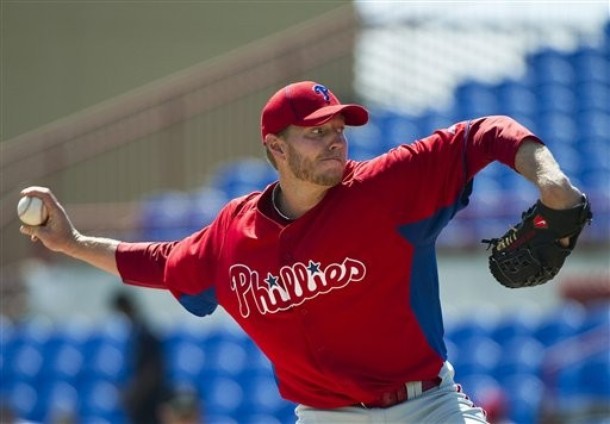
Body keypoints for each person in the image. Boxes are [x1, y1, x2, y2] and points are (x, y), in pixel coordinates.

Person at [19, 81, 586, 423]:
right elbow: (161, 263)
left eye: (339, 126)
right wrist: (71, 244)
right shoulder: (232, 236)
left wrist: (551, 181)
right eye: (316, 131)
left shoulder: (384, 187)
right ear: (274, 147)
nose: (335, 137)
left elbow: (485, 133)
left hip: (427, 407)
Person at [110, 290, 166, 424]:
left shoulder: (145, 334)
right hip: (140, 400)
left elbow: (153, 369)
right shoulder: (134, 333)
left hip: (149, 399)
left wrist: (135, 392)